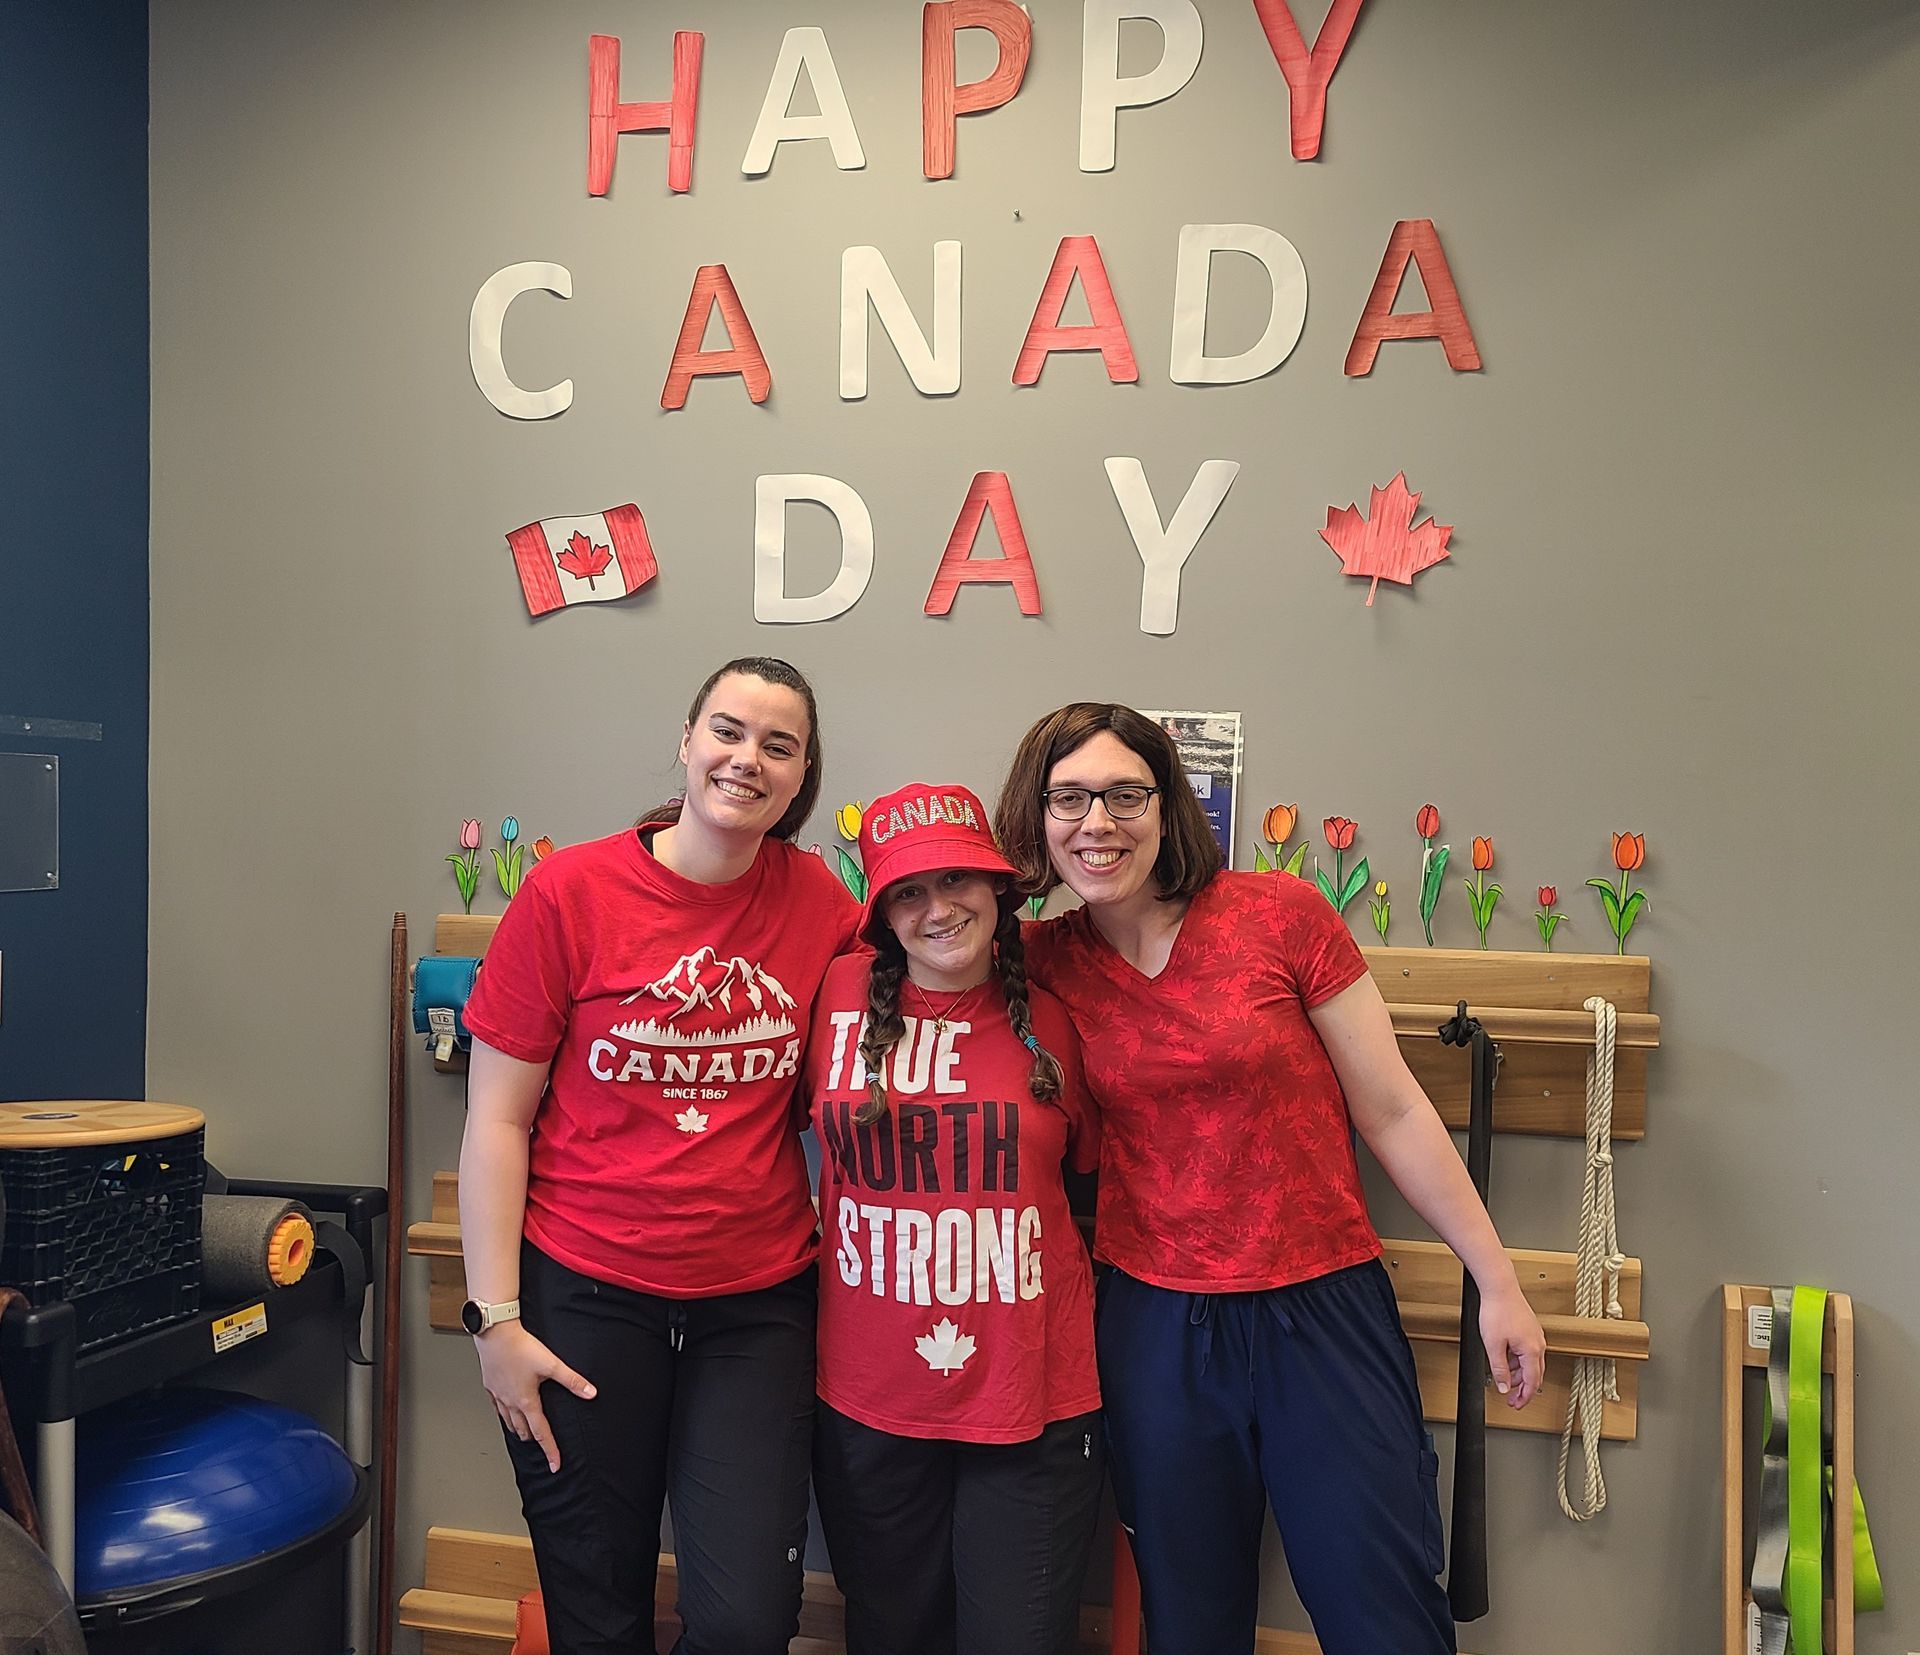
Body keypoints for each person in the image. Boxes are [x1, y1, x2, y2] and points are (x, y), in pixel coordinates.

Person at [994, 705, 1549, 1655]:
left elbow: (1395, 1110)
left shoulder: (1278, 914)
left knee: (1383, 1606)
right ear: (1038, 819)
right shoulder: (1043, 960)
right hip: (1155, 1321)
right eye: (1070, 798)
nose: (1098, 822)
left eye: (1126, 794)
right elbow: (908, 940)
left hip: (1321, 1306)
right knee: (1190, 1614)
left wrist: (1497, 1279)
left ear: (1167, 806)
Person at [457, 657, 860, 1655]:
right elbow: (498, 1121)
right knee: (597, 1611)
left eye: (780, 744)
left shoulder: (823, 908)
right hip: (581, 1298)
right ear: (686, 740)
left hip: (756, 1307)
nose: (747, 758)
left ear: (803, 772)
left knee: (746, 1620)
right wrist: (493, 1319)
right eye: (728, 730)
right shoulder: (567, 894)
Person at [804, 781, 1103, 1655]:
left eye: (958, 881)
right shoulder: (835, 993)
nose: (938, 909)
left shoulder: (1059, 1010)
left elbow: (1093, 1187)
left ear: (1000, 889)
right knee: (890, 1636)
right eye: (908, 889)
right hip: (868, 1395)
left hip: (1033, 1397)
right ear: (882, 911)